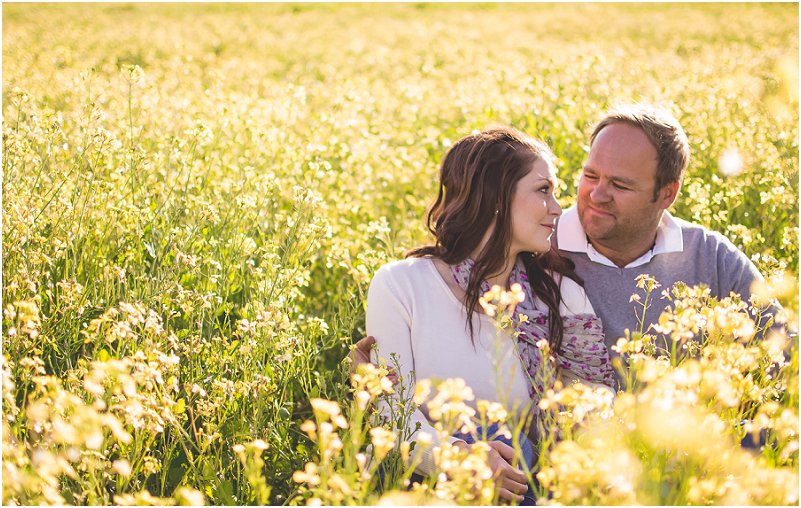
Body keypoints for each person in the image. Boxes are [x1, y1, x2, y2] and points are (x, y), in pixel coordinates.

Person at [364, 127, 614, 504]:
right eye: (543, 190)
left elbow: (595, 398)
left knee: (508, 443)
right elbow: (392, 416)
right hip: (424, 485)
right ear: (496, 195)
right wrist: (462, 460)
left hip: (525, 482)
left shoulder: (560, 295)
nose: (557, 208)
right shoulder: (401, 286)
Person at [556, 103, 771, 353]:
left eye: (620, 185)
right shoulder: (536, 246)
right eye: (590, 176)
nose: (598, 195)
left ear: (667, 194)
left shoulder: (712, 260)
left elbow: (786, 356)